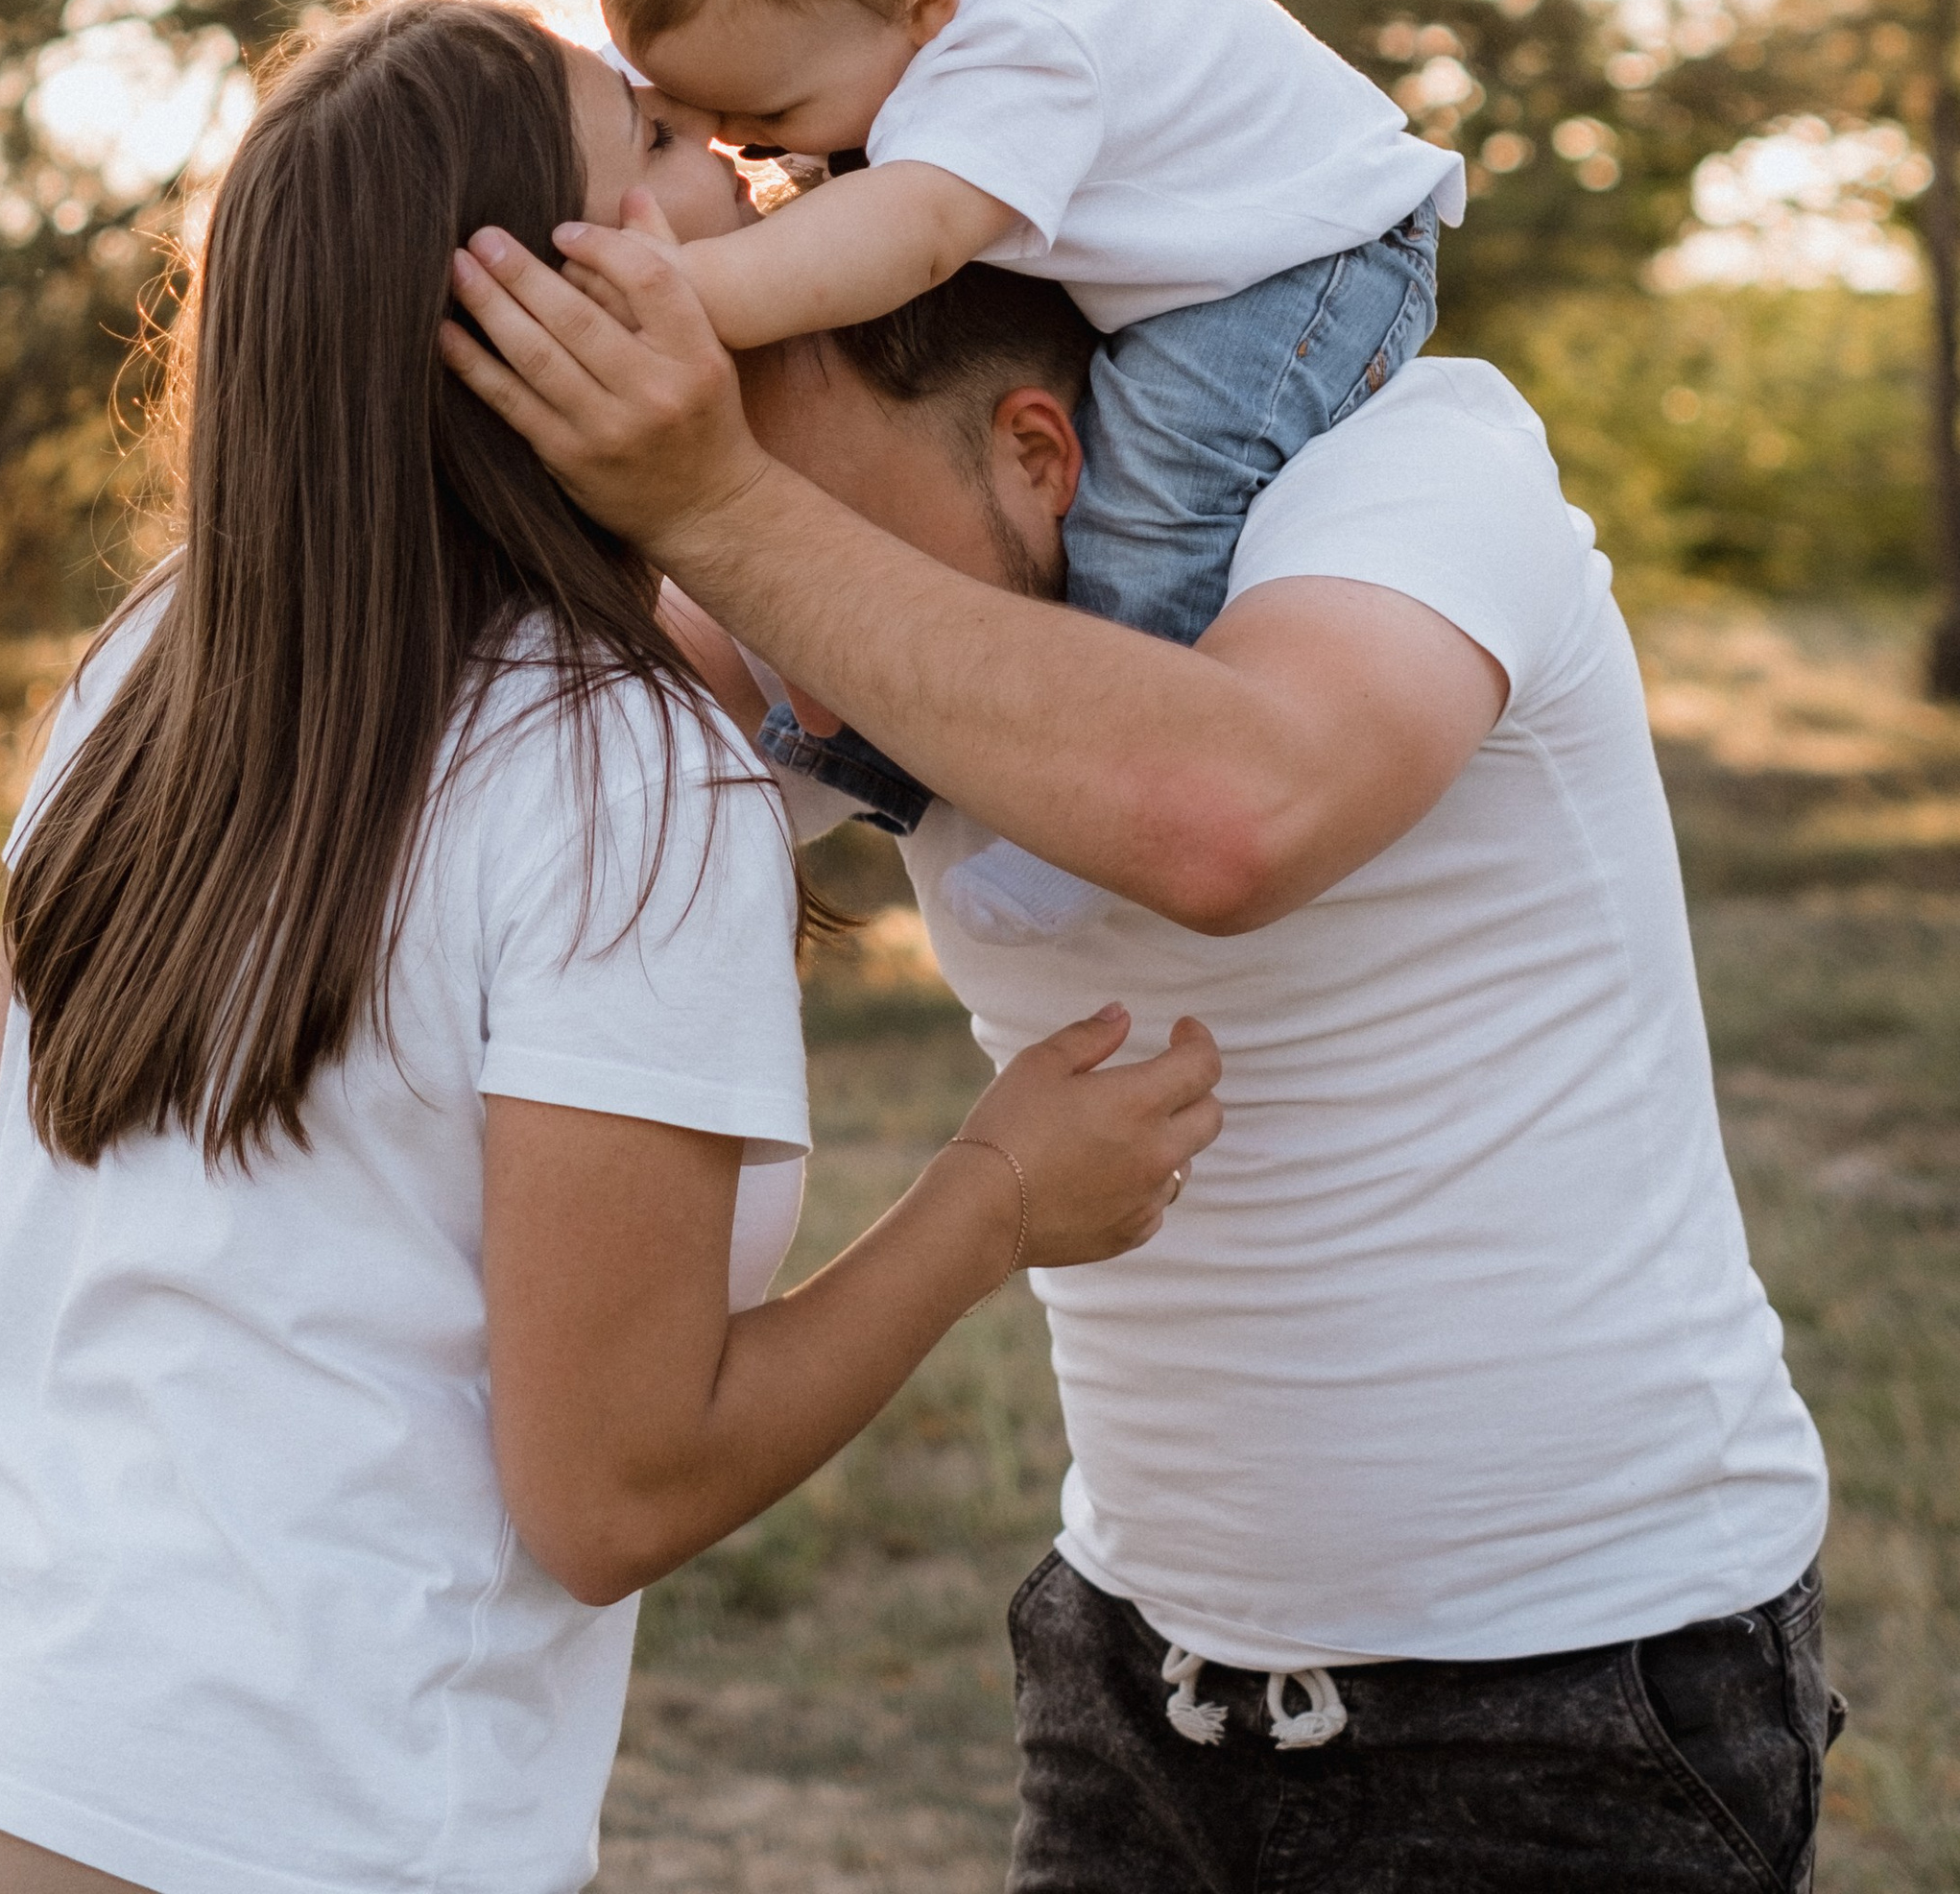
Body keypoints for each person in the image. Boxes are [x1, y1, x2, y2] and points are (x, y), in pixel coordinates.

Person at [0, 0, 1220, 1894]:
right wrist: (992, 1197)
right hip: (284, 1826)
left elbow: (10, 1226)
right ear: (517, 312)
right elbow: (609, 1492)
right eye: (651, 143)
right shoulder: (610, 772)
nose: (725, 163)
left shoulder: (158, 664)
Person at [442, 221, 1839, 1894]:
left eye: (818, 549)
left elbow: (1235, 822)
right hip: (1137, 1682)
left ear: (1041, 454)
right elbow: (490, 755)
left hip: (1576, 1699)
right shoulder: (848, 605)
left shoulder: (1414, 469)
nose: (792, 649)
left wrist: (728, 513)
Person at [592, 0, 1458, 939]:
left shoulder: (1014, 38)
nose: (747, 147)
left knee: (1153, 501)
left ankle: (1087, 818)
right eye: (691, 118)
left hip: (1305, 260)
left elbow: (911, 231)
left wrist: (687, 305)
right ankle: (896, 773)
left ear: (925, 10)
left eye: (765, 111)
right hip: (1214, 254)